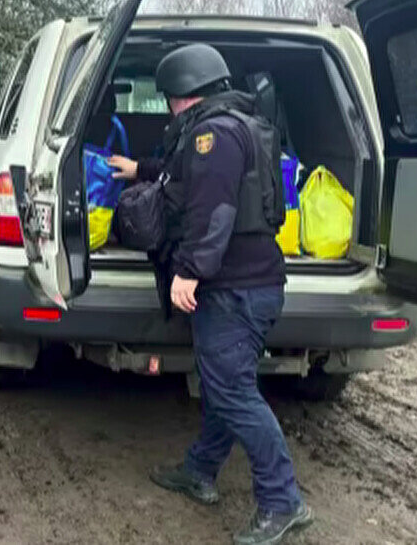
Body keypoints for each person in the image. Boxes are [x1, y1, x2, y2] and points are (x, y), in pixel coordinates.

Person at [108, 44, 312, 545]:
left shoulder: (211, 136)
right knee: (224, 381)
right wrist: (141, 170)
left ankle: (283, 501)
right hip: (251, 284)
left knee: (232, 391)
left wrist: (189, 272)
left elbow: (214, 210)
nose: (171, 108)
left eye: (170, 99)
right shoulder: (233, 124)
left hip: (234, 288)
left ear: (182, 95)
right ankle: (199, 471)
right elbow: (186, 182)